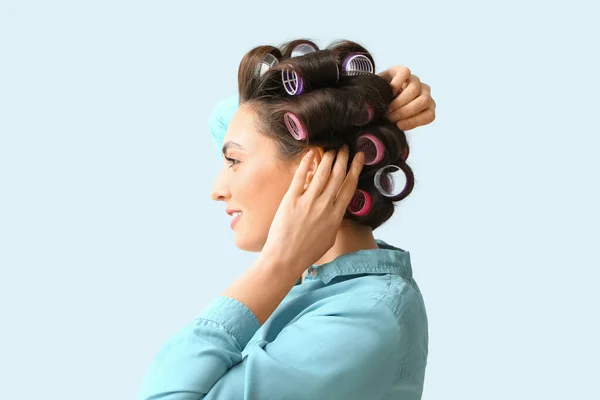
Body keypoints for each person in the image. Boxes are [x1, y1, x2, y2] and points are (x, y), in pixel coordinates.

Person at [136, 39, 435, 400]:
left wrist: (278, 264)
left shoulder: (362, 319)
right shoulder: (331, 284)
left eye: (233, 161)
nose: (217, 190)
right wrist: (365, 103)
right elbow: (230, 120)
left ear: (311, 170)